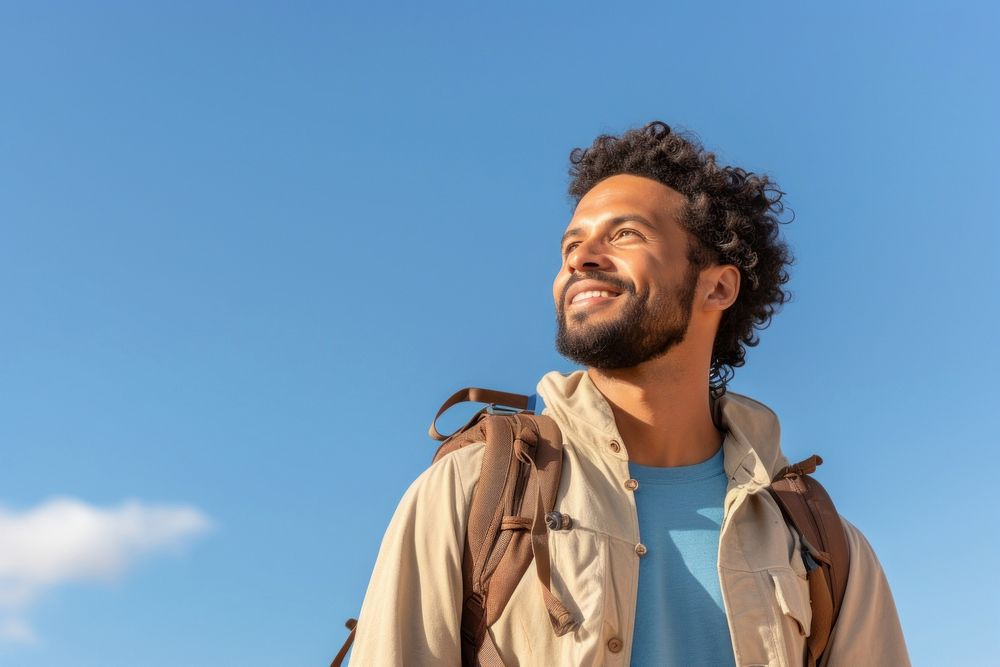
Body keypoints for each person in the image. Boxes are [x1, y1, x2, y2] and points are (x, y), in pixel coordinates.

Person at [349, 122, 909, 666]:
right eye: (572, 242)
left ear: (718, 284)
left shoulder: (820, 545)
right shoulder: (473, 491)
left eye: (624, 234)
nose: (580, 257)